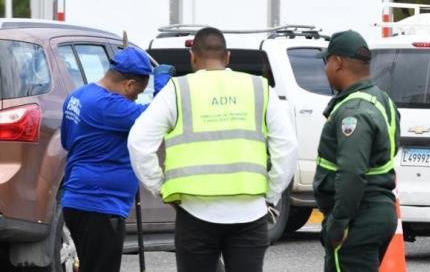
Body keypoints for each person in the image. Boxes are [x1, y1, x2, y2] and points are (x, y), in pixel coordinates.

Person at [127, 27, 298, 272]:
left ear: (193, 57)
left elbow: (138, 142)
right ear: (227, 57)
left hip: (195, 212)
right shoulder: (259, 89)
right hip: (249, 213)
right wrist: (270, 194)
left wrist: (161, 188)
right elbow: (288, 146)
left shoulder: (177, 90)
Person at [60, 46, 174, 272]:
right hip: (101, 206)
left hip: (78, 200)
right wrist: (162, 88)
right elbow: (155, 118)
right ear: (129, 84)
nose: (135, 98)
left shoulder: (78, 96)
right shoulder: (108, 105)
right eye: (137, 92)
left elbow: (66, 141)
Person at [314, 30, 399, 272]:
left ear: (338, 62)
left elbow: (352, 172)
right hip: (378, 210)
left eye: (327, 61)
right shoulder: (381, 100)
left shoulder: (353, 111)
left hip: (358, 217)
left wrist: (338, 224)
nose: (325, 69)